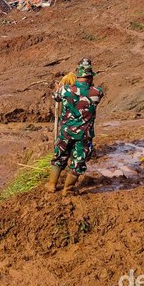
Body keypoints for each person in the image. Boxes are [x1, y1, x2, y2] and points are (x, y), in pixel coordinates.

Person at [46, 59, 104, 194]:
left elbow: (56, 97)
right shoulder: (97, 92)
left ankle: (51, 185)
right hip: (84, 135)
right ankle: (68, 188)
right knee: (78, 162)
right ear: (90, 77)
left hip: (66, 132)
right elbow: (93, 93)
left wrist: (58, 89)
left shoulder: (65, 90)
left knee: (59, 157)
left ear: (78, 76)